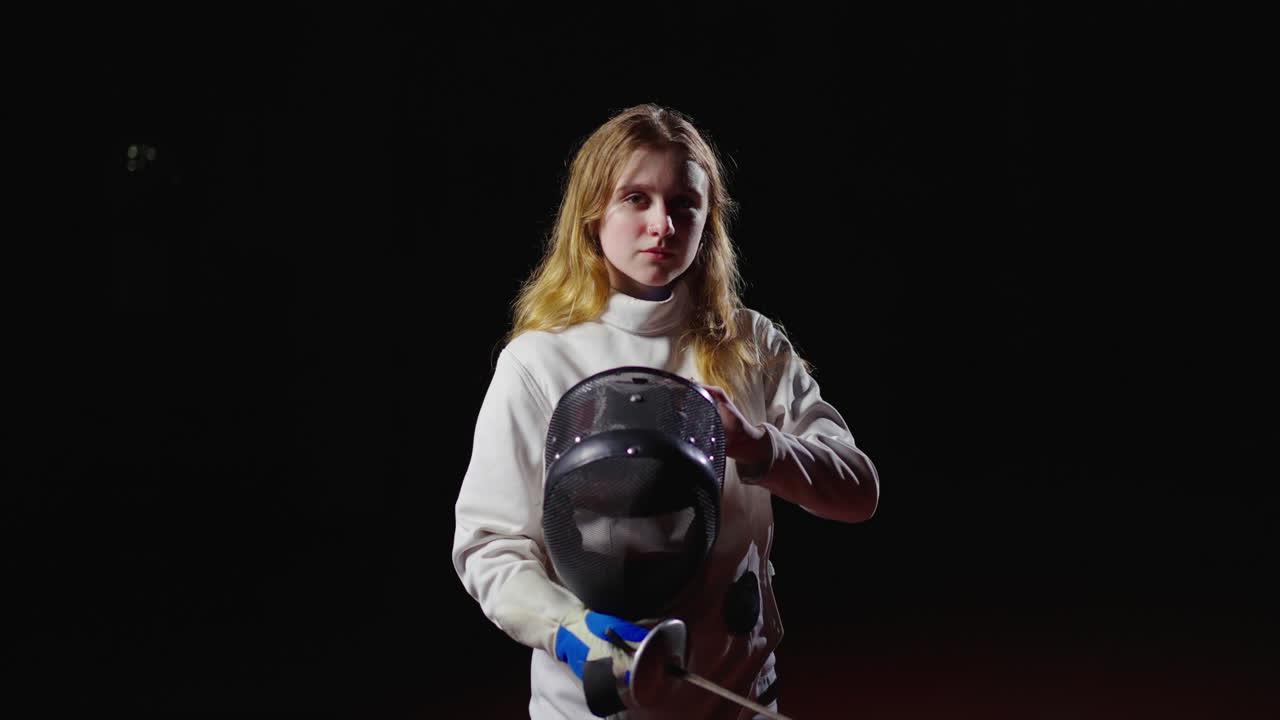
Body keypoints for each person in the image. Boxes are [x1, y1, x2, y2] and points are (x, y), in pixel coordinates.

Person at [452, 103, 879, 719]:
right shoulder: (538, 363)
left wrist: (760, 447)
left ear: (708, 221)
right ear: (594, 212)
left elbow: (857, 490)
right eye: (636, 198)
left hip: (740, 696)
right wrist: (570, 630)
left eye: (684, 204)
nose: (662, 224)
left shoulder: (751, 346)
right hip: (595, 708)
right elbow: (488, 546)